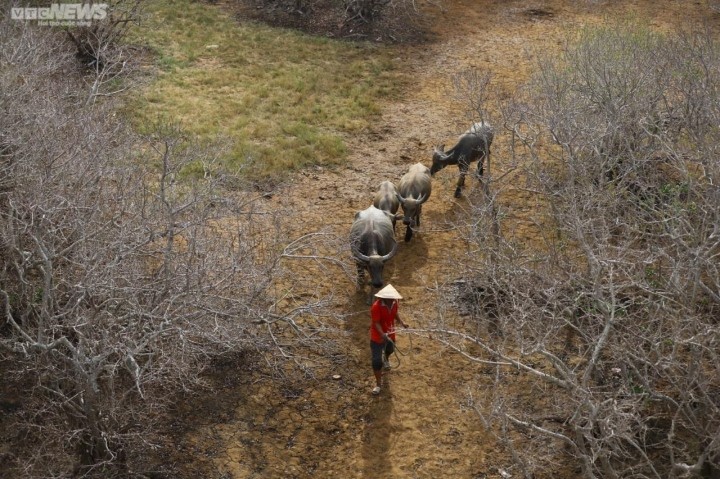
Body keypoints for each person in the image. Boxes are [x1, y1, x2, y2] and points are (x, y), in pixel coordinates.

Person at [369, 284, 409, 395]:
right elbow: (376, 323)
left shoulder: (395, 303)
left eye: (393, 299)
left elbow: (395, 313)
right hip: (377, 337)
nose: (393, 300)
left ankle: (386, 359)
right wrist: (382, 334)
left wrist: (402, 322)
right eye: (390, 299)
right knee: (377, 362)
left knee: (390, 350)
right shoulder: (376, 307)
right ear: (384, 298)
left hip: (390, 333)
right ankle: (378, 384)